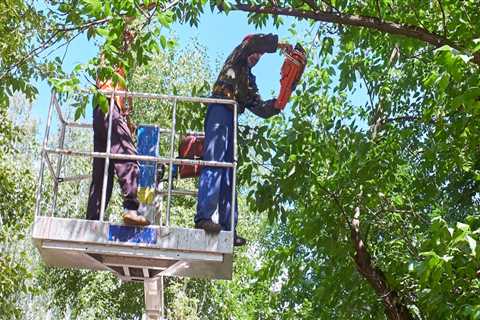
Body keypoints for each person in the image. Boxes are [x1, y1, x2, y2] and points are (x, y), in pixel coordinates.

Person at [195, 34, 292, 246]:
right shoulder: (237, 57)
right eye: (257, 52)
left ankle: (229, 227)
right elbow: (252, 43)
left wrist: (281, 100)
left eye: (260, 55)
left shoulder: (249, 81)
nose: (257, 56)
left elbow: (260, 108)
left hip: (231, 117)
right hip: (220, 107)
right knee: (215, 161)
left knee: (230, 171)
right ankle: (203, 218)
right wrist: (279, 44)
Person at [86, 27, 150, 226]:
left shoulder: (114, 70)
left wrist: (127, 119)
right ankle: (131, 208)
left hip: (100, 110)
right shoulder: (113, 50)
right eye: (129, 36)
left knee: (103, 168)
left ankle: (92, 220)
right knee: (126, 154)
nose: (132, 39)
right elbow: (125, 20)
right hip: (108, 104)